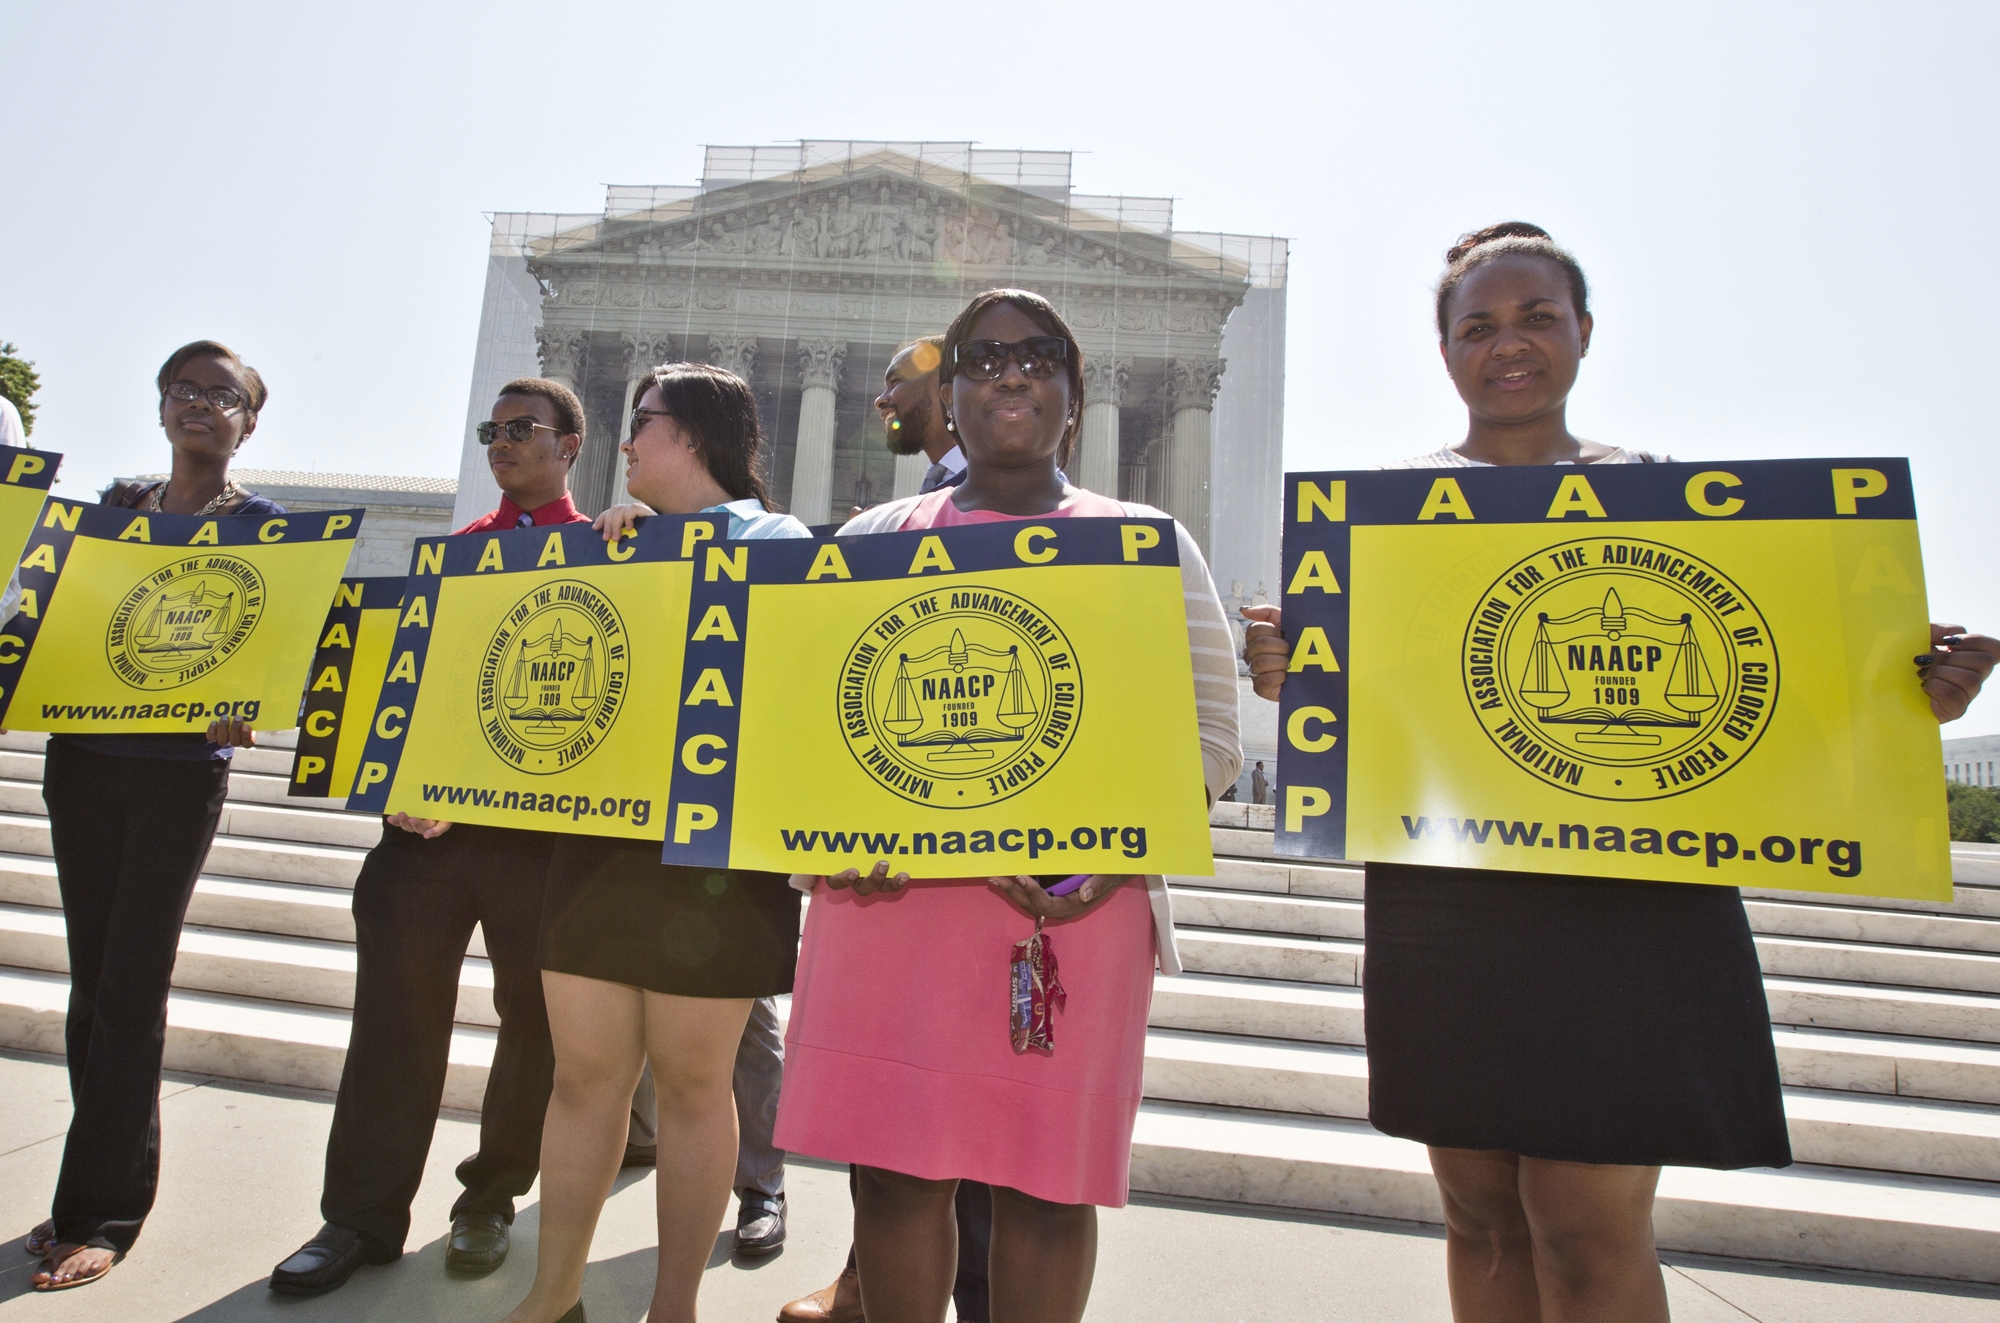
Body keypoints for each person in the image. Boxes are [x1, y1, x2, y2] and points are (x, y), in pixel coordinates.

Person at [1241, 223, 2000, 1323]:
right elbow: (1363, 705)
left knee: (1583, 1220)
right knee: (1479, 1214)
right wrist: (1288, 667)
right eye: (1478, 325)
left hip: (1633, 897)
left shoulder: (1671, 502)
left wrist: (1909, 684)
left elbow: (1790, 676)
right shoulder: (1375, 516)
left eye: (1536, 316)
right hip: (1446, 900)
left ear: (1584, 333)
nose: (1508, 343)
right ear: (1442, 349)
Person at [774, 289, 1241, 1323]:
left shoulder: (1144, 541)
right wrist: (834, 843)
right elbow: (814, 735)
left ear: (1073, 398)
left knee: (1044, 1188)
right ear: (948, 396)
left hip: (1065, 915)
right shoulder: (872, 538)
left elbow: (1208, 739)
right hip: (888, 909)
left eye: (1038, 358)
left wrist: (1105, 857)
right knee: (894, 1177)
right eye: (983, 360)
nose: (1011, 374)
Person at [500, 362, 808, 1323]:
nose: (626, 441)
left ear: (700, 434)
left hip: (714, 857)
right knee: (585, 1076)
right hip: (599, 841)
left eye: (643, 421)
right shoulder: (605, 539)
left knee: (691, 1081)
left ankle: (672, 1307)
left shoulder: (780, 539)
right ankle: (555, 1294)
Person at [269, 378, 589, 1296]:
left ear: (571, 442)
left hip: (540, 844)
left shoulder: (614, 556)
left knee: (535, 1026)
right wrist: (394, 786)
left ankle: (491, 1194)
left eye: (523, 429)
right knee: (393, 1024)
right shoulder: (446, 559)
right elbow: (397, 697)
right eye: (493, 429)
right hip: (425, 840)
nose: (502, 442)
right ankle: (358, 1216)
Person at [27, 342, 282, 1291]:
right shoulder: (114, 509)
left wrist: (247, 701)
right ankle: (86, 1193)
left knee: (134, 986)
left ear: (250, 422)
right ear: (160, 407)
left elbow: (273, 653)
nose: (199, 405)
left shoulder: (267, 531)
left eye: (223, 395)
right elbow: (53, 609)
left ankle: (103, 1212)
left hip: (178, 776)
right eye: (183, 390)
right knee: (92, 986)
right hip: (83, 761)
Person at [781, 334, 996, 1323]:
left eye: (897, 385)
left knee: (997, 1145)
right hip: (890, 867)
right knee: (894, 1131)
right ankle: (871, 1279)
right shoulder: (881, 523)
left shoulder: (1082, 518)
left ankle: (945, 1292)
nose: (881, 402)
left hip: (1021, 871)